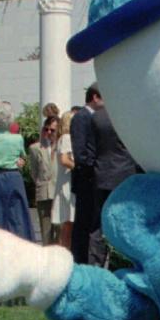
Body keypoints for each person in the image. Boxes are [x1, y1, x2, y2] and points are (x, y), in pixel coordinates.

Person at [88, 93, 139, 267]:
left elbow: (90, 149)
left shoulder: (97, 117)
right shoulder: (128, 115)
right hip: (125, 174)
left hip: (101, 174)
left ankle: (95, 263)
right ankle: (122, 262)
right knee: (124, 221)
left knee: (98, 225)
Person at [0, 101, 33, 241]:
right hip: (13, 177)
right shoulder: (17, 138)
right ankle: (20, 243)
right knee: (17, 215)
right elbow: (22, 157)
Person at [69, 84, 100, 263]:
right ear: (95, 97)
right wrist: (91, 165)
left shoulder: (92, 117)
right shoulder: (82, 117)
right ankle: (79, 258)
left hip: (91, 177)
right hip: (85, 179)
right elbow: (80, 151)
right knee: (83, 221)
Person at [28, 115, 59, 244]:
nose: (49, 133)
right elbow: (34, 172)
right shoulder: (35, 148)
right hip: (44, 192)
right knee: (46, 232)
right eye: (46, 129)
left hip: (59, 193)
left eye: (52, 130)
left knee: (60, 231)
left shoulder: (65, 146)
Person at [51, 109, 76, 251]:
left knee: (68, 223)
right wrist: (78, 167)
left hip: (66, 182)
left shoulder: (62, 139)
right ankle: (66, 251)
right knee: (68, 222)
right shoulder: (66, 138)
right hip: (68, 183)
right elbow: (65, 159)